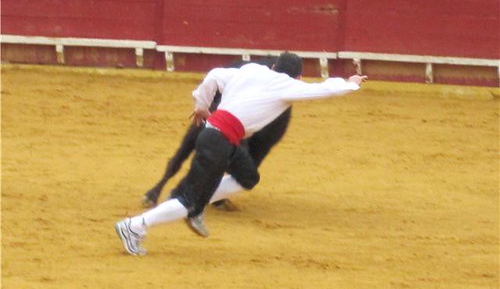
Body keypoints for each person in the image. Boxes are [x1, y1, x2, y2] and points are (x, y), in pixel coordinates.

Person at [115, 52, 367, 255]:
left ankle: (202, 201)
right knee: (188, 200)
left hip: (218, 134)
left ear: (274, 65)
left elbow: (213, 75)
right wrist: (350, 84)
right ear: (298, 76)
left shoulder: (251, 70)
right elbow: (323, 90)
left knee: (248, 177)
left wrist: (202, 105)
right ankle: (135, 226)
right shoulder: (287, 86)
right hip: (219, 140)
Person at [142, 57, 292, 211]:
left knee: (189, 149)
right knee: (222, 161)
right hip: (233, 122)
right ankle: (184, 196)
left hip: (220, 111)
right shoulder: (280, 102)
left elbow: (215, 77)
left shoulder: (248, 71)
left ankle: (161, 190)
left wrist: (203, 105)